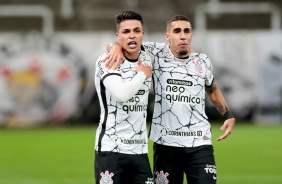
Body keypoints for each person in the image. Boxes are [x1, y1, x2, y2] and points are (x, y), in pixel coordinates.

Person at [105, 14, 235, 184]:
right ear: (168, 36)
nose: (182, 35)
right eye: (177, 31)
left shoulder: (202, 61)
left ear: (191, 35)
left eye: (186, 31)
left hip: (199, 142)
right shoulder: (155, 53)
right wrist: (113, 46)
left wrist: (228, 115)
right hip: (166, 143)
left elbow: (212, 89)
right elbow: (129, 42)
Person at [94, 11, 154, 184]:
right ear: (118, 35)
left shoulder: (148, 57)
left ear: (143, 34)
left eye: (136, 30)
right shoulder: (107, 61)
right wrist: (142, 74)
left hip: (140, 151)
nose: (132, 35)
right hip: (111, 149)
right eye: (126, 32)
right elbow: (122, 95)